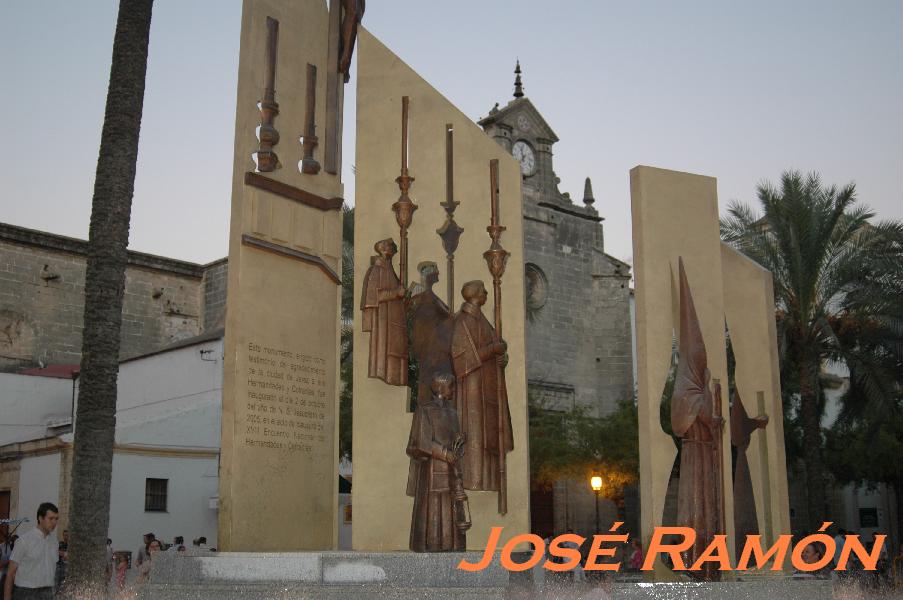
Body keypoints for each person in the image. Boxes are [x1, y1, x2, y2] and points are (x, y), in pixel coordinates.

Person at [450, 280, 513, 493]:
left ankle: (489, 480)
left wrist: (500, 360)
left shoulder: (484, 321)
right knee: (474, 431)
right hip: (471, 390)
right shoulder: (461, 322)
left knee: (490, 434)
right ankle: (473, 478)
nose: (487, 293)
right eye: (483, 290)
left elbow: (496, 352)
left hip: (488, 386)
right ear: (475, 294)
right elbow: (462, 360)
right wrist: (493, 349)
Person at [405, 372, 467, 552]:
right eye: (450, 386)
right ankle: (430, 545)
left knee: (451, 508)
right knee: (432, 507)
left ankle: (453, 545)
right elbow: (421, 442)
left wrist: (459, 443)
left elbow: (455, 440)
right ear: (440, 387)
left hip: (452, 471)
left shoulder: (453, 413)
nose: (453, 390)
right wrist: (445, 453)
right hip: (431, 470)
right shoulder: (425, 410)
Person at [360, 238, 408, 386]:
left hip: (394, 319)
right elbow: (374, 296)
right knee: (385, 350)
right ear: (382, 249)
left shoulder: (390, 271)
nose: (394, 249)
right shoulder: (376, 270)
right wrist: (395, 293)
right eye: (391, 247)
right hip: (383, 320)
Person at [3, 502, 59, 600]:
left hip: (48, 593)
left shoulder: (54, 542)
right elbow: (10, 573)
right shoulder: (24, 541)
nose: (54, 522)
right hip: (26, 593)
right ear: (40, 519)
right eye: (51, 518)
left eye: (56, 519)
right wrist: (7, 597)